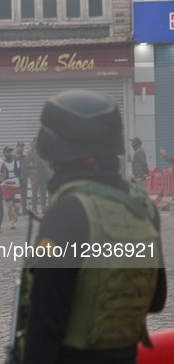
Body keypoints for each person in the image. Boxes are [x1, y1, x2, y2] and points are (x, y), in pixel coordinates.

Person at [22, 90, 167, 363]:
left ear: (54, 148)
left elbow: (45, 323)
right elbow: (156, 299)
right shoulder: (143, 207)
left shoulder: (66, 212)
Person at [24, 138, 52, 214]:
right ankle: (34, 208)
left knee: (43, 191)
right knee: (34, 192)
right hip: (35, 175)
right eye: (35, 142)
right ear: (33, 143)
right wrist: (30, 173)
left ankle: (43, 207)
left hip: (44, 175)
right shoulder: (30, 153)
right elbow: (25, 164)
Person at [1, 146, 21, 230]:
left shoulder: (17, 163)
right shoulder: (1, 163)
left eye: (11, 152)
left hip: (16, 187)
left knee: (17, 206)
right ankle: (12, 223)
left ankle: (15, 213)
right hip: (6, 187)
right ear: (4, 153)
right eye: (8, 152)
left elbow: (21, 174)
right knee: (9, 206)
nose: (9, 153)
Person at [14, 141, 28, 215]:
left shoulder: (24, 156)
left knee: (24, 194)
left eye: (22, 147)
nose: (21, 148)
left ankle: (24, 210)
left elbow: (27, 166)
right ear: (16, 147)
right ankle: (16, 210)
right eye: (20, 146)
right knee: (16, 194)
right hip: (16, 178)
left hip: (24, 177)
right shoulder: (13, 156)